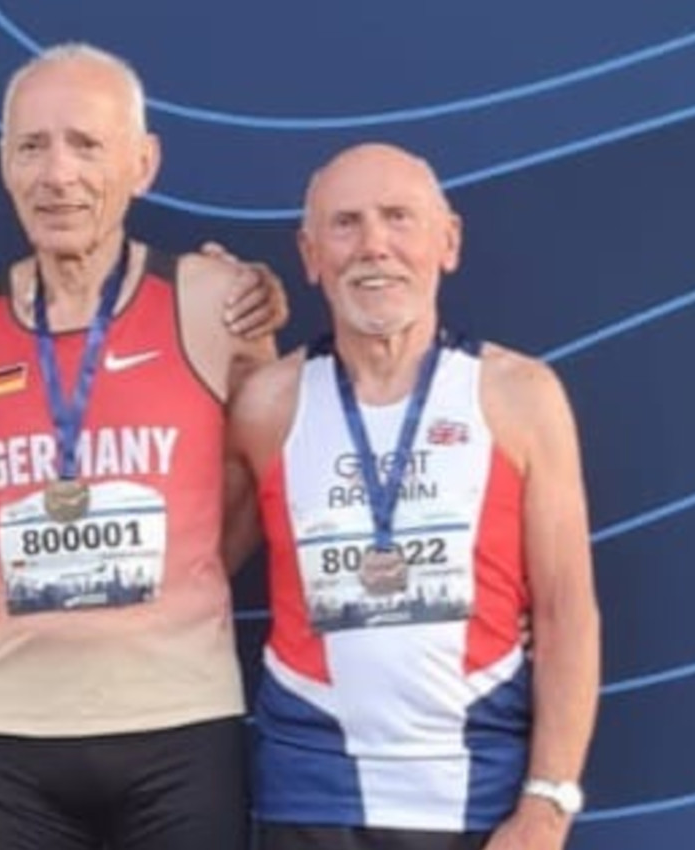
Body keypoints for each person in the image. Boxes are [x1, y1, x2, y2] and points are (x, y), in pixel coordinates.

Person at [0, 43, 277, 850]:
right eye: (32, 146)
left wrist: (180, 581)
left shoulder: (212, 299)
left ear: (143, 162)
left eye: (86, 144)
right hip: (7, 731)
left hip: (180, 723)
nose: (58, 175)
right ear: (4, 167)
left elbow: (269, 481)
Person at [229, 143, 601, 850]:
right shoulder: (267, 402)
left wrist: (549, 802)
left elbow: (566, 613)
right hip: (312, 792)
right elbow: (187, 571)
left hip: (479, 793)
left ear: (448, 240)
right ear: (310, 254)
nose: (374, 245)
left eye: (398, 218)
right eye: (345, 224)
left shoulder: (519, 395)